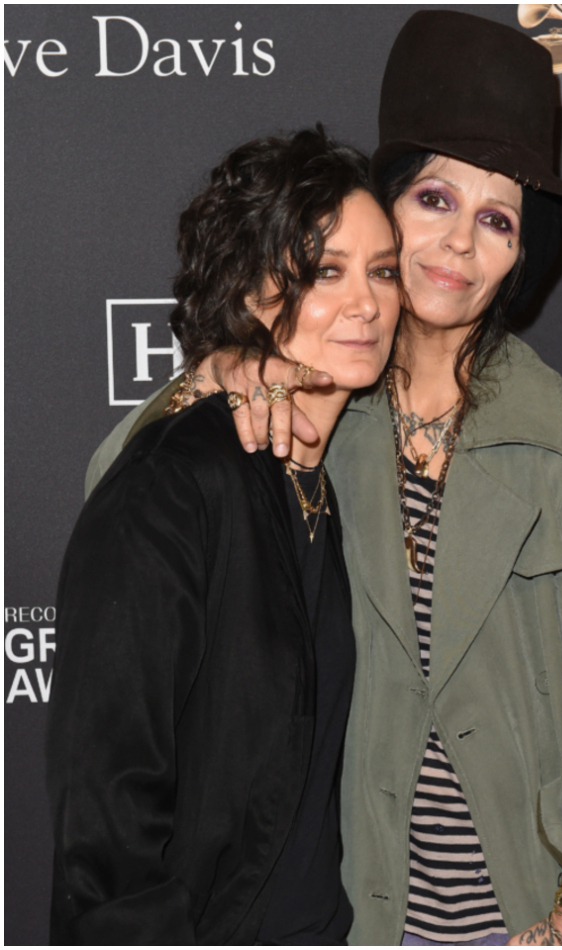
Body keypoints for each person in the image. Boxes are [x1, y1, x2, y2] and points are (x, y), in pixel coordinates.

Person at [85, 11, 562, 947]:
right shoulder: (321, 408)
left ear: (522, 255)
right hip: (366, 910)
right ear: (385, 205)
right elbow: (115, 490)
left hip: (541, 911)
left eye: (497, 220)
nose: (458, 248)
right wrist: (214, 373)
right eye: (435, 201)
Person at [46, 127, 400, 945]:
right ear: (248, 290)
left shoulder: (331, 477)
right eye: (324, 272)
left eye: (382, 270)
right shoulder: (174, 486)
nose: (367, 302)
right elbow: (103, 810)